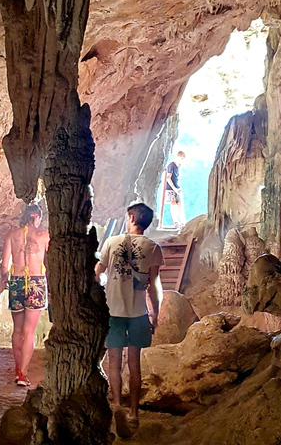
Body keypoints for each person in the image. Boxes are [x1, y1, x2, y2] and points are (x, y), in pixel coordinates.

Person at [95, 203, 164, 438]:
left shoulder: (112, 242)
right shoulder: (153, 247)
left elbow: (98, 271)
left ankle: (116, 405)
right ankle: (134, 414)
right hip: (138, 313)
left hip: (112, 311)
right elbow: (153, 285)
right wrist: (155, 313)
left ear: (132, 217)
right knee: (134, 364)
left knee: (114, 363)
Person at [2, 204, 50, 387]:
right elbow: (48, 262)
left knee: (18, 330)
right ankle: (23, 374)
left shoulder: (12, 235)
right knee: (30, 331)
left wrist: (3, 280)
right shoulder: (44, 236)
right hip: (36, 283)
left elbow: (4, 266)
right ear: (37, 217)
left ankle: (17, 369)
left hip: (17, 281)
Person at [165, 151, 186, 229]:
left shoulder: (178, 166)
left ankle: (182, 221)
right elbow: (168, 178)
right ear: (177, 157)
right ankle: (175, 222)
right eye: (180, 158)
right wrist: (174, 188)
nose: (181, 160)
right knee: (173, 204)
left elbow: (177, 178)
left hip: (177, 187)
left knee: (180, 204)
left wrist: (178, 188)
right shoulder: (171, 165)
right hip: (170, 188)